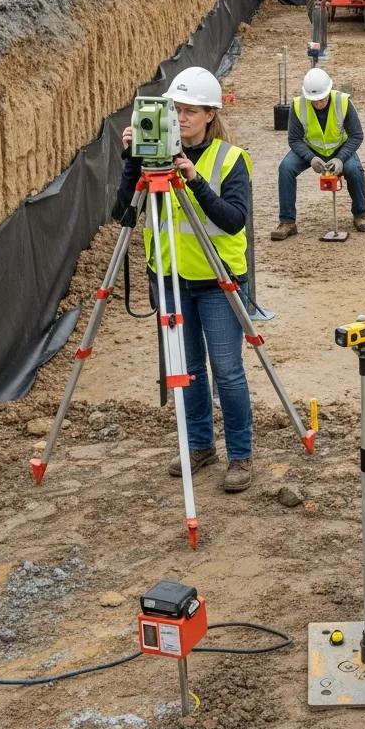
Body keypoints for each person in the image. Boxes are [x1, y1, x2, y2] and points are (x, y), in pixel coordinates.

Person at [115, 66, 256, 493]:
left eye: (190, 111)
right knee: (189, 369)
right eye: (175, 110)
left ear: (210, 114)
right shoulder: (153, 158)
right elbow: (123, 213)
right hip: (170, 278)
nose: (181, 118)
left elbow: (233, 220)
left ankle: (241, 455)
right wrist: (132, 161)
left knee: (227, 372)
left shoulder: (230, 159)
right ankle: (199, 447)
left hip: (217, 280)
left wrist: (195, 182)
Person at [271, 67, 365, 239]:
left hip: (340, 149)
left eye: (322, 99)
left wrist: (340, 159)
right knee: (286, 168)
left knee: (354, 170)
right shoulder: (298, 105)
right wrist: (311, 158)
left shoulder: (343, 102)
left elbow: (356, 135)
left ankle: (359, 215)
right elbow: (294, 139)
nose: (318, 103)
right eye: (314, 100)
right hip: (311, 149)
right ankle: (287, 222)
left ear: (329, 91)